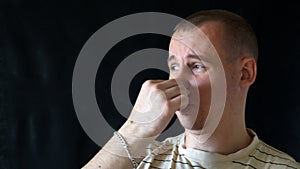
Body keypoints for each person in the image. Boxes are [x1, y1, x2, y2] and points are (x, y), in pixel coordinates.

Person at [83, 9, 300, 169]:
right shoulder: (134, 159)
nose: (178, 82)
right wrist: (134, 130)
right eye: (173, 67)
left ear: (245, 74)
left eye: (196, 66)